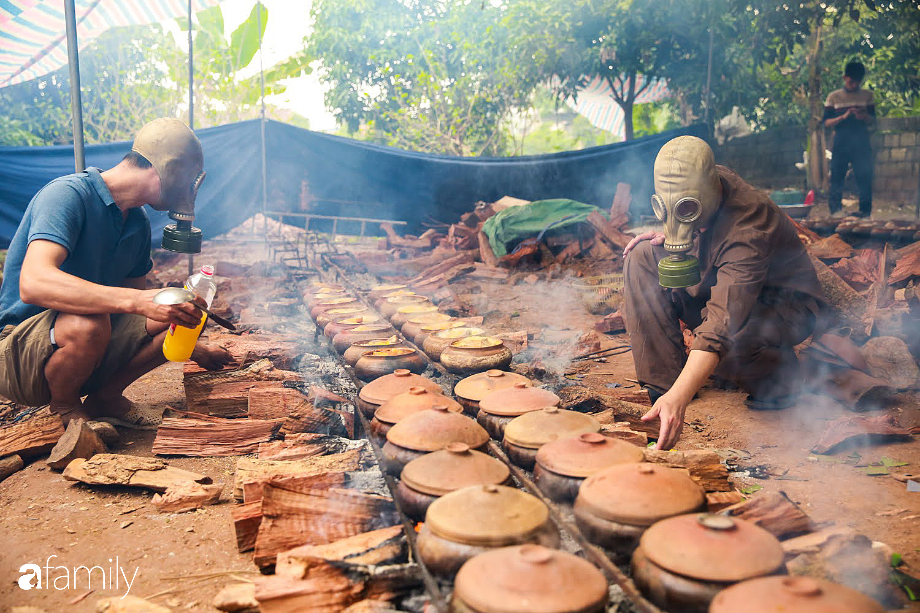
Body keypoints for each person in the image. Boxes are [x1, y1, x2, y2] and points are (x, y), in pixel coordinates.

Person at [0, 118, 233, 428]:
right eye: (190, 179)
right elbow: (33, 283)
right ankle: (65, 408)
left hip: (87, 346)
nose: (190, 191)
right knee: (91, 322)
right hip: (18, 352)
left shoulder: (137, 222)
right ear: (170, 169)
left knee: (181, 313)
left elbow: (135, 317)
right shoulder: (67, 195)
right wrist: (137, 301)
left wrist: (192, 345)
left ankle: (105, 398)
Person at [622, 135, 826, 450]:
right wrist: (673, 229)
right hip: (729, 282)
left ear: (709, 193)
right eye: (666, 207)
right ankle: (665, 388)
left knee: (731, 334)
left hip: (783, 307)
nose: (677, 215)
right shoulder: (704, 179)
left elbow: (723, 319)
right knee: (642, 256)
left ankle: (781, 378)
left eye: (686, 209)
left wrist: (681, 398)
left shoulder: (750, 224)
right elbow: (693, 214)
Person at [824, 60, 875, 218]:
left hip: (861, 141)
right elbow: (826, 122)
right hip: (841, 141)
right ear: (845, 78)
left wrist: (863, 116)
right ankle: (835, 211)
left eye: (857, 82)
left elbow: (872, 120)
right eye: (851, 81)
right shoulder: (834, 97)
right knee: (837, 176)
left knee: (864, 176)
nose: (854, 85)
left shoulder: (867, 95)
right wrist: (843, 117)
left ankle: (865, 212)